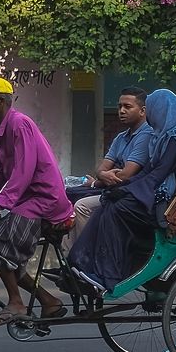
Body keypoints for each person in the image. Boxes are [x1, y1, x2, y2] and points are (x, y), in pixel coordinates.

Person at [0, 76, 74, 325]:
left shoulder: (19, 124)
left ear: (2, 100)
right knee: (4, 250)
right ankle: (48, 301)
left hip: (43, 199)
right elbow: (0, 172)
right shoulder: (2, 129)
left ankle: (16, 303)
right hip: (27, 200)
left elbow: (24, 170)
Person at [68, 89, 176, 293]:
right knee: (108, 203)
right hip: (153, 190)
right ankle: (83, 262)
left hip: (166, 198)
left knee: (116, 210)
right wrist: (124, 187)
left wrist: (129, 190)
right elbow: (148, 171)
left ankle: (109, 275)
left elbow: (159, 173)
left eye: (153, 111)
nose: (150, 116)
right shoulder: (162, 135)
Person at [60, 86, 152, 254]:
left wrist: (101, 178)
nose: (121, 111)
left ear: (142, 111)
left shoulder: (146, 136)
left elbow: (124, 176)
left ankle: (84, 258)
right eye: (119, 106)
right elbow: (101, 169)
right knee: (68, 197)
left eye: (127, 107)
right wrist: (102, 175)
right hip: (114, 192)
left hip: (132, 197)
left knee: (82, 206)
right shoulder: (121, 137)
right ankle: (67, 258)